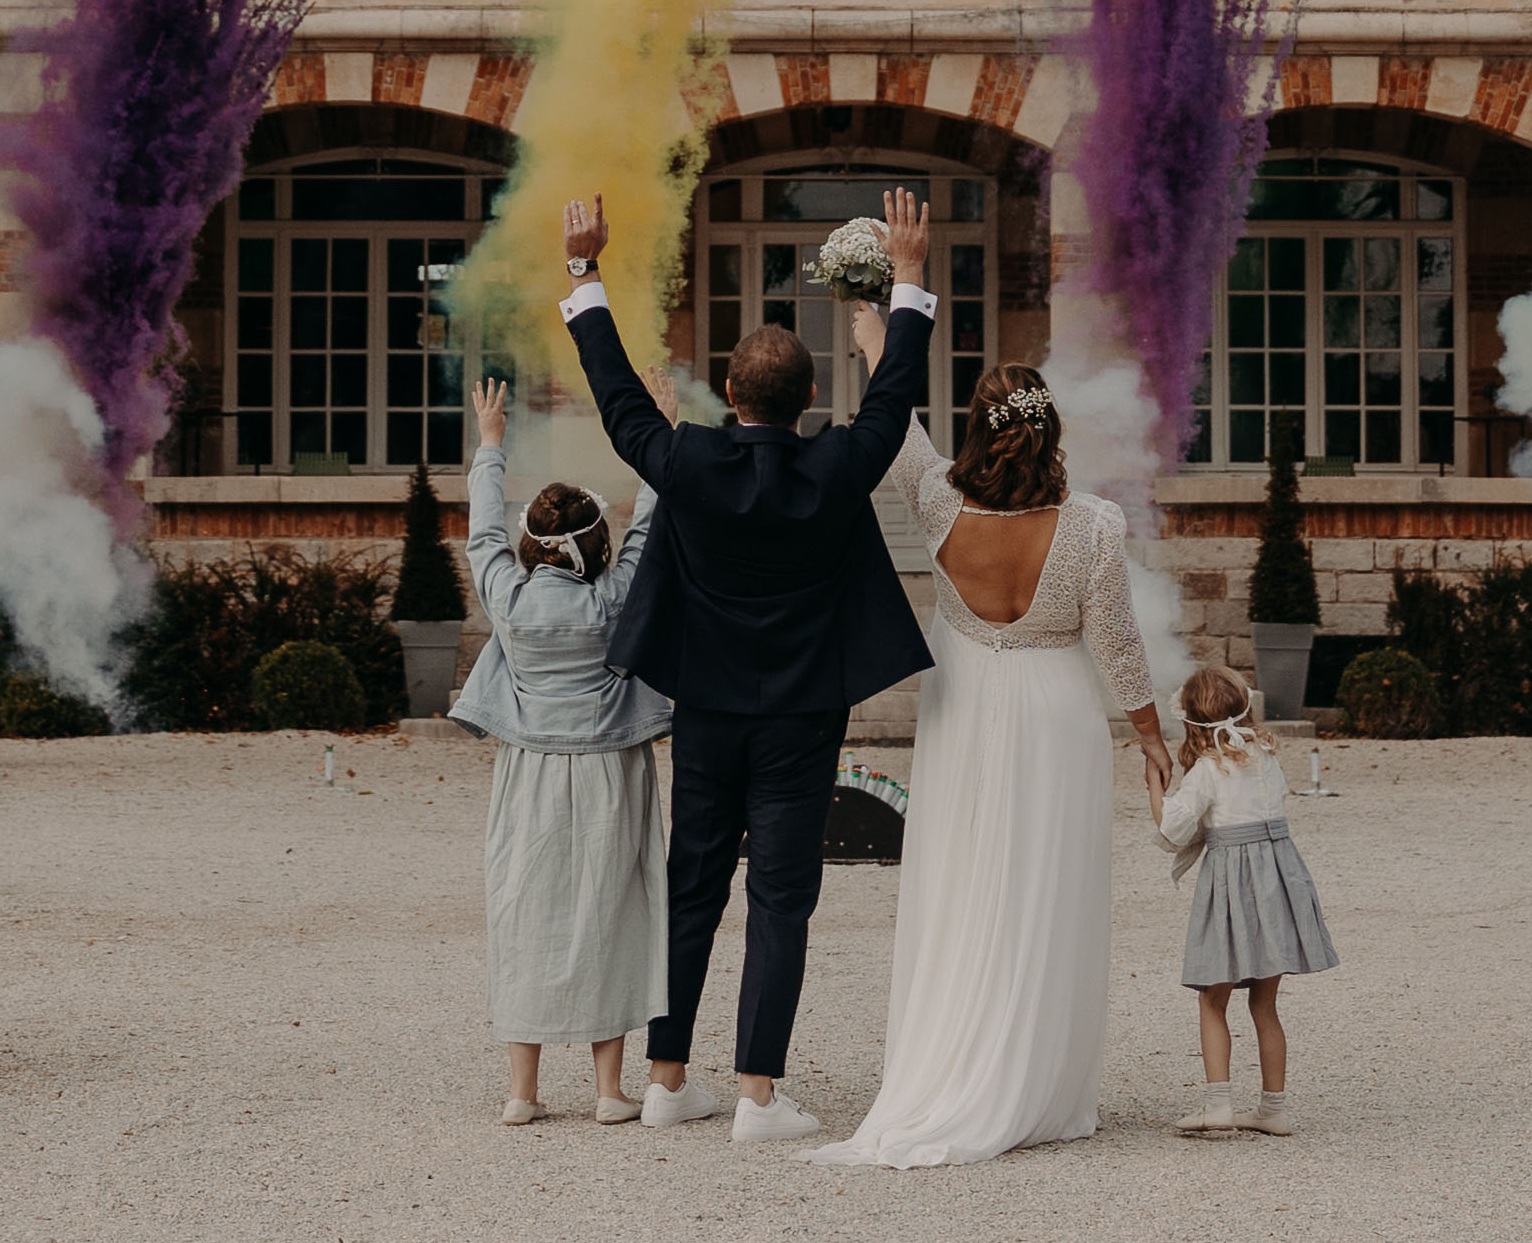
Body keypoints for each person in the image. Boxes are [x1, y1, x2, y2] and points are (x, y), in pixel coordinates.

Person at [557, 187, 934, 1143]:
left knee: (692, 886)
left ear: (728, 397)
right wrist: (911, 281)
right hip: (804, 713)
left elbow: (613, 400)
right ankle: (759, 1093)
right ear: (808, 398)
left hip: (709, 708)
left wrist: (583, 271)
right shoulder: (840, 464)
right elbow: (893, 398)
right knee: (781, 897)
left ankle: (665, 1076)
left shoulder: (685, 459)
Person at [806, 343, 1175, 1170]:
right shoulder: (1091, 525)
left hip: (964, 706)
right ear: (1050, 431)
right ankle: (1036, 1084)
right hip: (1057, 716)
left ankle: (953, 1058)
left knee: (961, 881)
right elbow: (1117, 644)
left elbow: (898, 425)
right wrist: (1152, 738)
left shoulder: (938, 501)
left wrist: (880, 334)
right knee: (1044, 889)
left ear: (978, 428)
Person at [450, 372, 673, 1124]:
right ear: (592, 543)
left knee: (525, 910)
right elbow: (649, 525)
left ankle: (523, 1091)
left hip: (530, 772)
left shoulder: (508, 598)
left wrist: (490, 443)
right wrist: (655, 440)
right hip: (611, 766)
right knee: (608, 908)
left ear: (532, 544)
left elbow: (481, 534)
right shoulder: (612, 598)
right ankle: (609, 1091)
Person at [1154, 661, 1336, 1136]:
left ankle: (1218, 1105)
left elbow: (1173, 830)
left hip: (1234, 886)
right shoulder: (1266, 756)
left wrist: (1154, 785)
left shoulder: (1207, 771)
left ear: (1191, 720)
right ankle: (1273, 1109)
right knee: (1264, 1003)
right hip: (1277, 879)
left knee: (1213, 999)